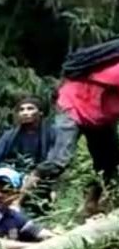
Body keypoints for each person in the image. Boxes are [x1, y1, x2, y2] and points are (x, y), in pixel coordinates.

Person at [50, 57, 119, 216]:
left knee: (109, 164)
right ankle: (21, 200)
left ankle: (92, 205)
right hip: (74, 104)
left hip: (100, 115)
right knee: (59, 160)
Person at [0, 97, 61, 211]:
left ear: (41, 112)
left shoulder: (53, 133)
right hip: (12, 171)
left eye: (30, 109)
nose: (25, 113)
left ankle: (17, 204)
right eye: (22, 110)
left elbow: (55, 159)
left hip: (40, 174)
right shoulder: (10, 135)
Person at [0, 167, 55, 249]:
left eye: (4, 191)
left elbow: (39, 232)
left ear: (15, 195)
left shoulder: (13, 217)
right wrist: (38, 247)